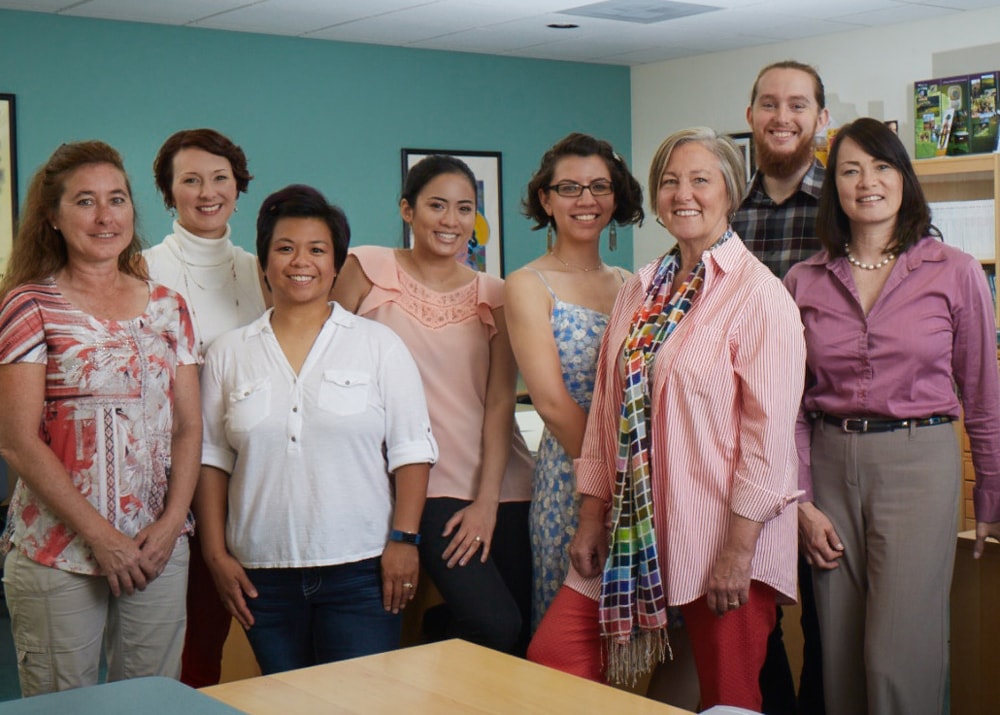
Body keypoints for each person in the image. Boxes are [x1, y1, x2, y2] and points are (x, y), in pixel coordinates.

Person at [528, 127, 805, 712]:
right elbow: (606, 414)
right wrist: (590, 516)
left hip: (722, 537)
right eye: (670, 181)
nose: (684, 193)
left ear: (730, 190)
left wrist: (738, 550)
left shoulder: (760, 296)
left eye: (700, 179)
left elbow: (768, 441)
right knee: (552, 661)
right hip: (633, 530)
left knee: (727, 701)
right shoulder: (642, 287)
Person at [783, 117, 1000, 715]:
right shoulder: (803, 280)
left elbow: (983, 394)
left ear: (904, 178)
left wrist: (990, 495)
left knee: (897, 652)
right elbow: (790, 406)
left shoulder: (954, 271)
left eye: (881, 166)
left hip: (918, 461)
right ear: (835, 189)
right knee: (840, 653)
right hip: (828, 467)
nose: (867, 181)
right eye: (850, 170)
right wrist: (800, 500)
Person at [196, 184, 437, 674]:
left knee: (360, 705)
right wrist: (215, 553)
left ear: (335, 264)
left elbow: (411, 450)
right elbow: (212, 459)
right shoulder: (229, 352)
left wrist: (404, 541)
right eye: (284, 248)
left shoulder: (378, 345)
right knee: (284, 704)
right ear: (263, 262)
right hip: (262, 576)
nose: (299, 261)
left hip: (363, 570)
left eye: (316, 249)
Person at [0, 141, 201, 696]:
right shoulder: (28, 305)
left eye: (117, 199)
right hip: (60, 551)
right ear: (53, 218)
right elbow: (16, 441)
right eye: (85, 201)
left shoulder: (168, 306)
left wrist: (171, 525)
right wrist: (102, 538)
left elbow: (187, 426)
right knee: (65, 706)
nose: (105, 215)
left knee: (152, 702)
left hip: (157, 548)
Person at [332, 155, 534, 655]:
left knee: (522, 636)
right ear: (407, 210)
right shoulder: (366, 268)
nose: (451, 221)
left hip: (503, 484)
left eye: (464, 208)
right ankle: (432, 653)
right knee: (495, 625)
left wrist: (487, 501)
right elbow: (322, 360)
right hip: (423, 482)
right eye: (437, 205)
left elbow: (499, 401)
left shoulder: (495, 293)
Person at [143, 128, 268, 688]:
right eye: (190, 180)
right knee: (188, 637)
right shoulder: (141, 271)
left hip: (256, 475)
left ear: (238, 188)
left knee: (251, 628)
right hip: (174, 482)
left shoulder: (261, 268)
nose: (207, 191)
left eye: (220, 178)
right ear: (169, 194)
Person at [505, 132, 642, 630]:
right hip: (571, 474)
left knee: (632, 633)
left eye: (599, 187)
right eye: (569, 188)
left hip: (636, 479)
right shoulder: (527, 284)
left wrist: (634, 477)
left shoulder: (632, 282)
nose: (586, 200)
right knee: (570, 632)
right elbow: (550, 401)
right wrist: (608, 477)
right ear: (545, 198)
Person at [731, 59, 830, 715]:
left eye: (798, 105)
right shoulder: (725, 211)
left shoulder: (847, 207)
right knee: (752, 616)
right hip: (738, 445)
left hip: (827, 439)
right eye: (769, 103)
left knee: (829, 619)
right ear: (750, 117)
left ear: (822, 118)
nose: (782, 117)